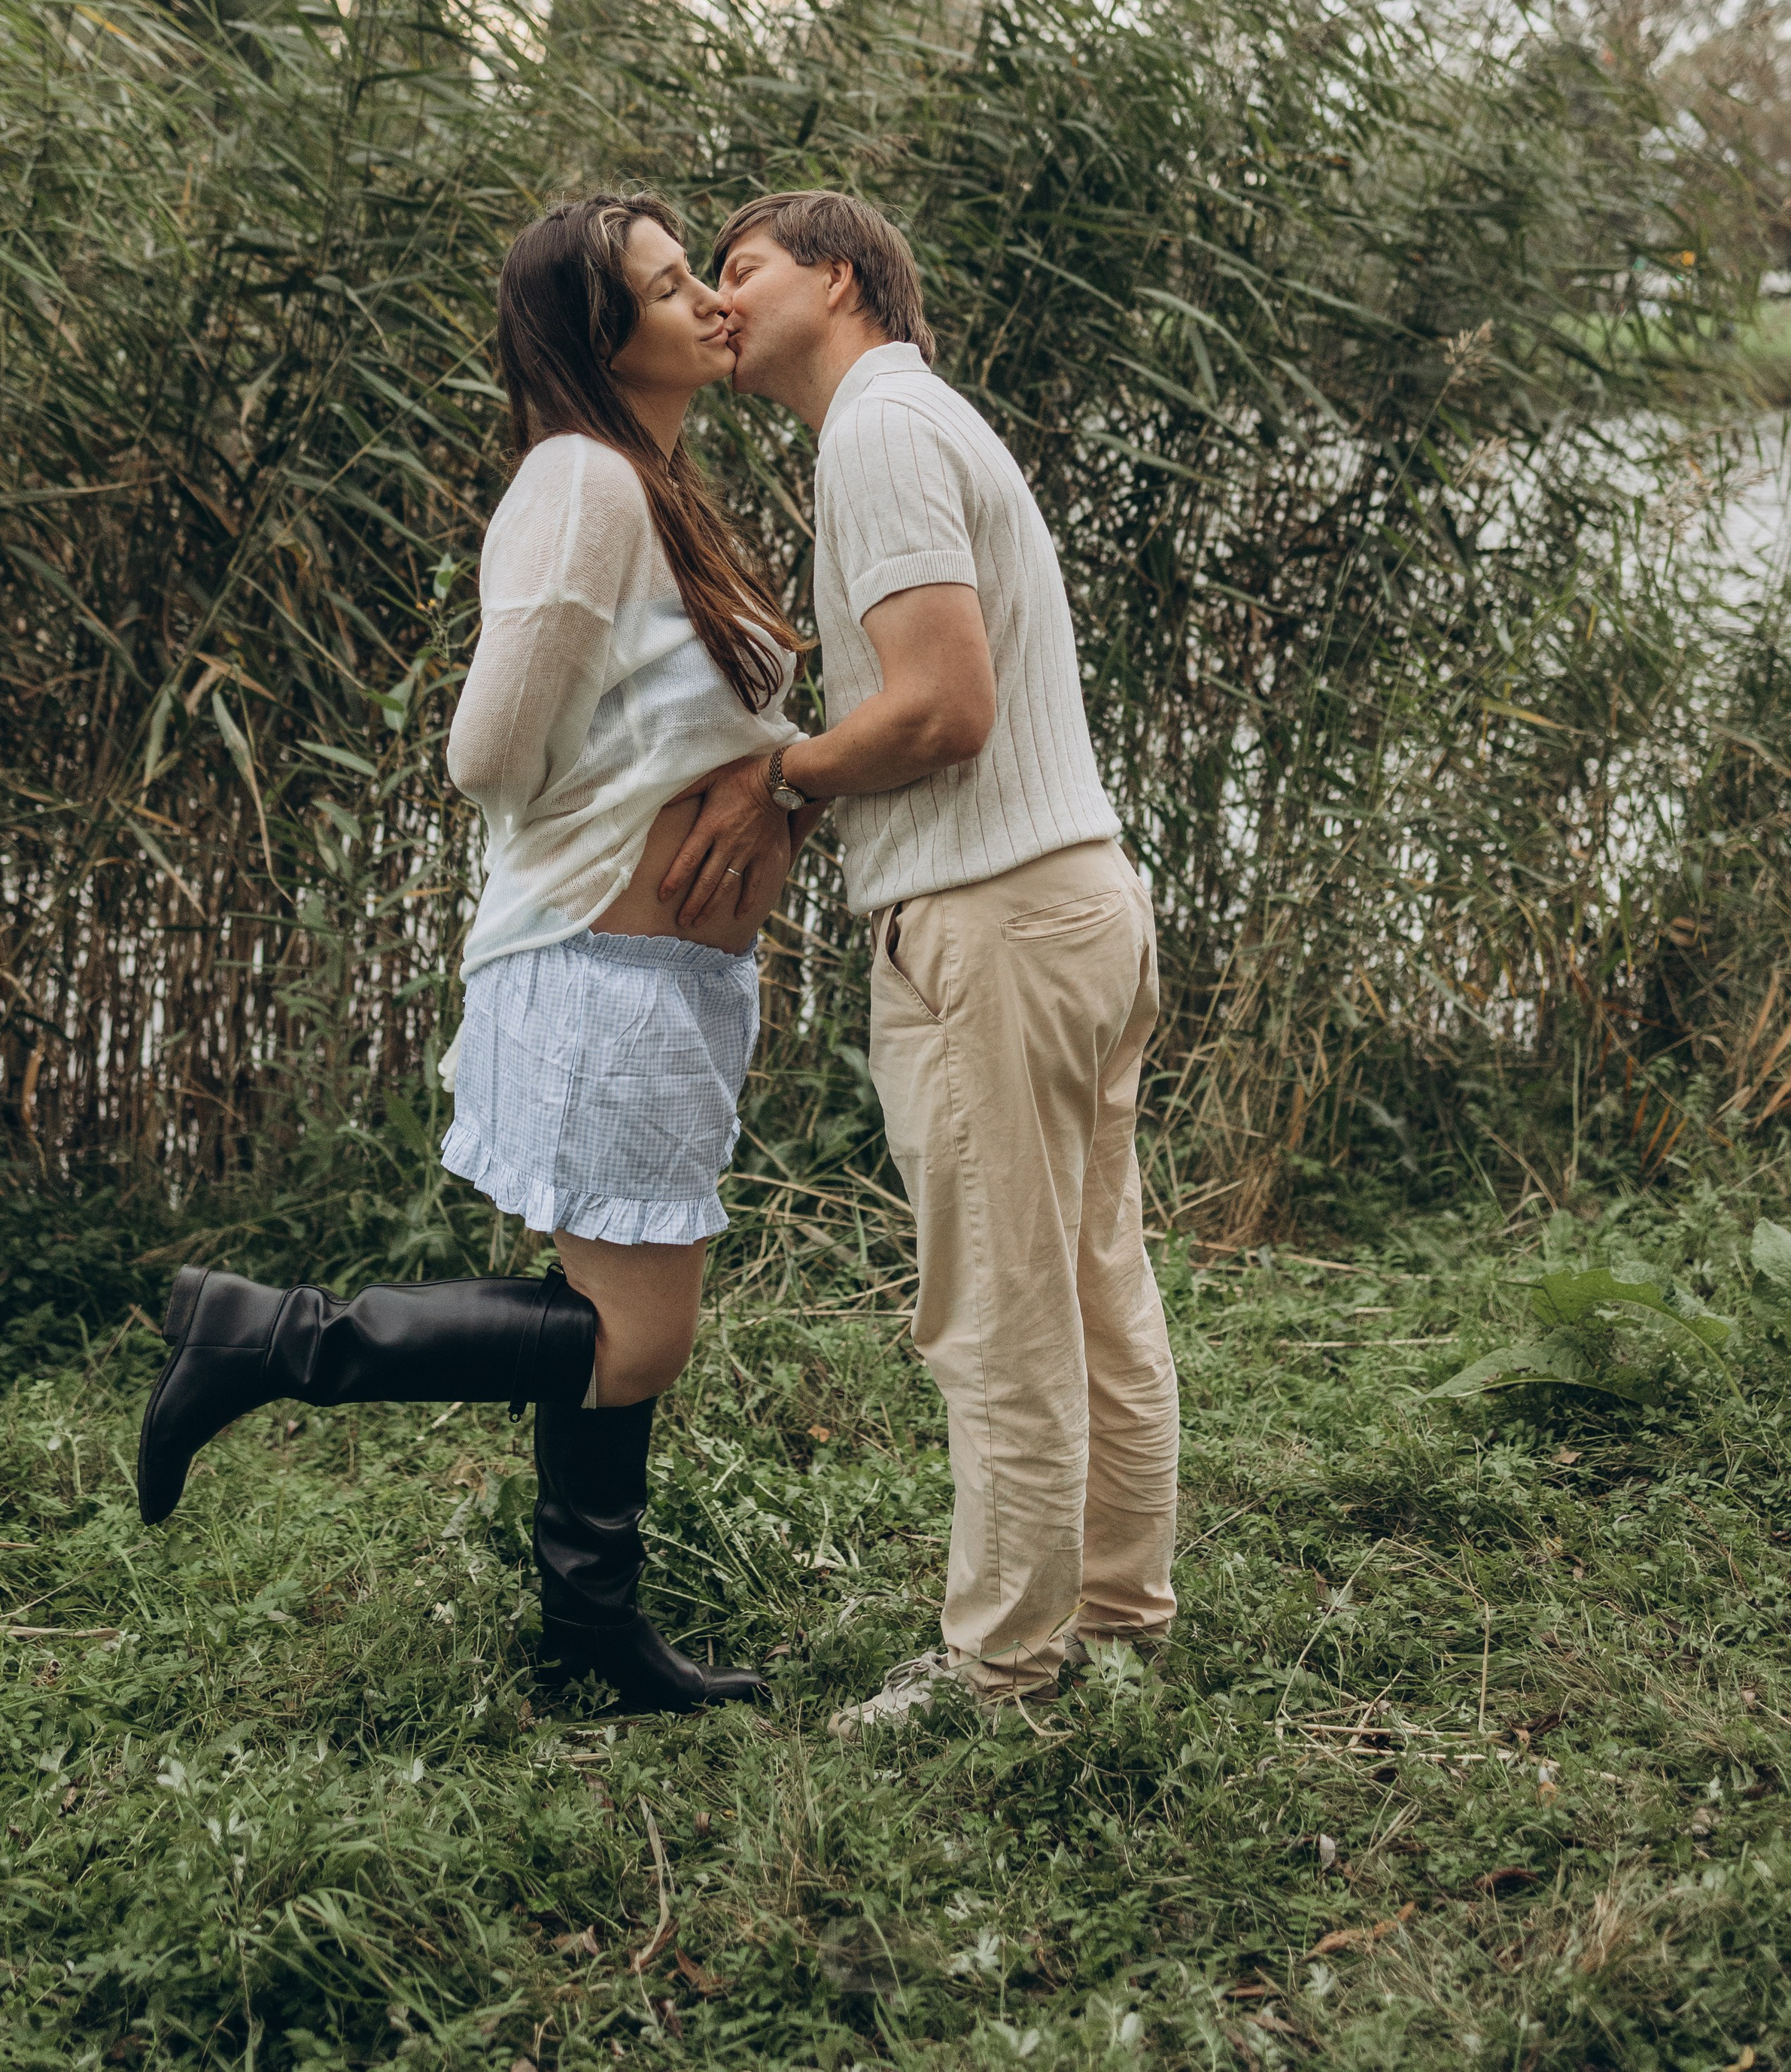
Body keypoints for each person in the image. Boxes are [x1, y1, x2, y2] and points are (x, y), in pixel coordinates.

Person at [137, 193, 816, 1715]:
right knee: (637, 1339)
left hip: (661, 980)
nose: (707, 299)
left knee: (620, 1336)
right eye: (663, 287)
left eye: (696, 271)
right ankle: (275, 1338)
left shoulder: (647, 481)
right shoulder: (579, 482)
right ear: (597, 338)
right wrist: (675, 790)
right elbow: (485, 753)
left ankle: (585, 1639)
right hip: (600, 966)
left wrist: (767, 775)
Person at [662, 190, 1178, 1724]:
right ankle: (1117, 1614)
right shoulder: (922, 420)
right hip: (1074, 899)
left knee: (997, 1304)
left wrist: (783, 779)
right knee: (1090, 1279)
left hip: (992, 917)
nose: (716, 298)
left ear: (837, 279)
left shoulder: (873, 431)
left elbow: (942, 707)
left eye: (739, 268)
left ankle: (1001, 1668)